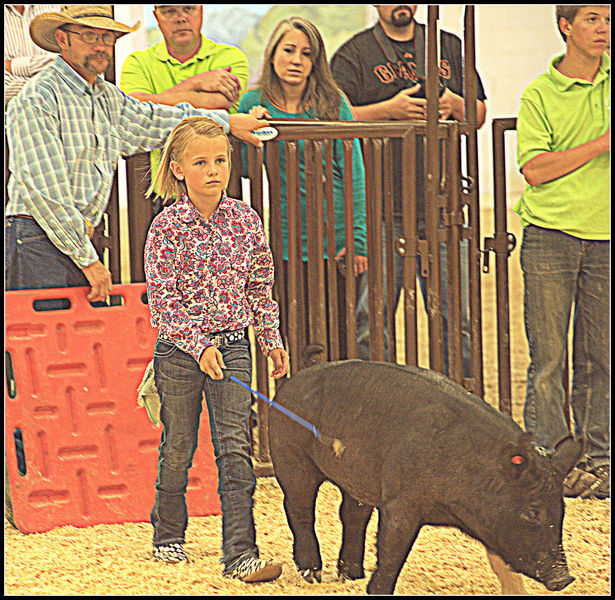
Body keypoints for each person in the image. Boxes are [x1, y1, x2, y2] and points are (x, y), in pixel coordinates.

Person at [5, 5, 266, 304]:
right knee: (40, 343)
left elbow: (157, 119)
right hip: (38, 238)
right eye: (90, 36)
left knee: (68, 341)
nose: (101, 46)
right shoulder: (37, 98)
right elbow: (45, 191)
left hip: (67, 237)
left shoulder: (105, 97)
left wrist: (229, 122)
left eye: (107, 37)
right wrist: (86, 259)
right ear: (62, 39)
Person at [144, 116, 289, 580]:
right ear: (178, 168)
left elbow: (259, 287)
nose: (213, 170)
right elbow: (164, 302)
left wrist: (271, 340)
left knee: (234, 446)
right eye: (201, 161)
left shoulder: (246, 221)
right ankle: (168, 534)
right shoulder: (165, 229)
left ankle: (240, 553)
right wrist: (197, 346)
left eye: (221, 160)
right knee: (179, 445)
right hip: (179, 355)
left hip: (234, 348)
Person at [330, 5, 487, 373]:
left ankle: (457, 411)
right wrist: (389, 111)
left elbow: (478, 114)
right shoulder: (354, 53)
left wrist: (454, 104)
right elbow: (332, 114)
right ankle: (380, 411)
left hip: (444, 205)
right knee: (373, 319)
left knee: (458, 321)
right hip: (382, 208)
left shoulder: (448, 45)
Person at [515, 5, 610, 499]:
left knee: (602, 356)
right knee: (549, 358)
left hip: (606, 236)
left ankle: (600, 462)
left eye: (609, 20)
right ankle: (552, 462)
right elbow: (535, 170)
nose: (603, 29)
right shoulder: (540, 93)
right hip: (550, 234)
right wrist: (602, 144)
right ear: (565, 26)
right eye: (592, 18)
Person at [238, 16, 368, 359]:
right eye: (289, 50)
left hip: (337, 238)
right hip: (287, 239)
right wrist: (250, 131)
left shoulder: (333, 103)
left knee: (340, 339)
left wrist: (357, 240)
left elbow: (354, 172)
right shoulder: (252, 103)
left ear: (315, 61)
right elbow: (242, 172)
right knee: (292, 336)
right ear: (272, 54)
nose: (296, 60)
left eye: (306, 53)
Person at [120, 4, 249, 204]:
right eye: (169, 11)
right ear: (156, 16)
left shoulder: (231, 57)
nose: (180, 18)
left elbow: (219, 103)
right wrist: (196, 83)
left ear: (201, 11)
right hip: (162, 192)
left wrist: (152, 103)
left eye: (188, 9)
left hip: (221, 192)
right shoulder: (137, 62)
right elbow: (132, 108)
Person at [4, 4, 60, 109]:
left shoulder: (56, 8)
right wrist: (51, 88)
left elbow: (69, 65)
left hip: (60, 111)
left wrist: (12, 65)